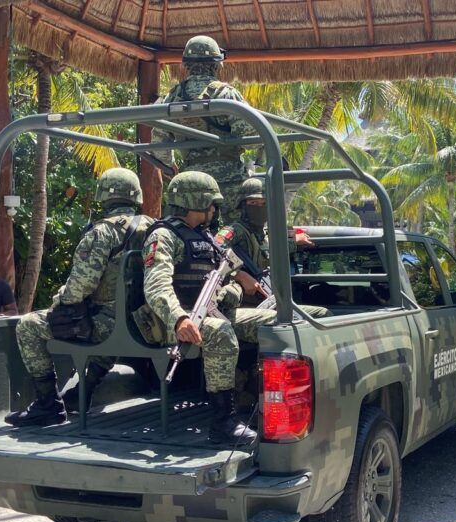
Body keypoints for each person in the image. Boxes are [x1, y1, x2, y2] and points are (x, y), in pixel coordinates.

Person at [5, 168, 153, 427]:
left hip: (109, 327)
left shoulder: (102, 232)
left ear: (104, 196)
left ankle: (48, 405)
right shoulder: (154, 228)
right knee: (105, 325)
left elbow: (78, 289)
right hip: (147, 324)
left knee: (28, 325)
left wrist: (58, 299)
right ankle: (80, 394)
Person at [139, 171, 271, 443]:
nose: (214, 209)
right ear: (195, 202)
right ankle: (223, 421)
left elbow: (227, 268)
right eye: (211, 203)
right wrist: (179, 319)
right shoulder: (164, 236)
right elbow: (157, 287)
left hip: (209, 312)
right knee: (221, 332)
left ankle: (261, 398)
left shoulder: (204, 236)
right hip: (167, 320)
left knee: (276, 321)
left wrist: (236, 282)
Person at [152, 35, 254, 225]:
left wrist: (170, 164)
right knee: (240, 234)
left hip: (191, 184)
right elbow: (252, 136)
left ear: (186, 64)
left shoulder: (172, 97)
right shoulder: (226, 94)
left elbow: (159, 142)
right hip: (229, 182)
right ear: (216, 64)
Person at [214, 177, 329, 317]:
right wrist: (238, 275)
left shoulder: (265, 233)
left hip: (269, 299)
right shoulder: (235, 230)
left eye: (264, 203)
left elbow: (270, 251)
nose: (259, 207)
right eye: (253, 202)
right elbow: (213, 251)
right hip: (244, 304)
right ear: (242, 205)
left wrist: (294, 243)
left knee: (321, 314)